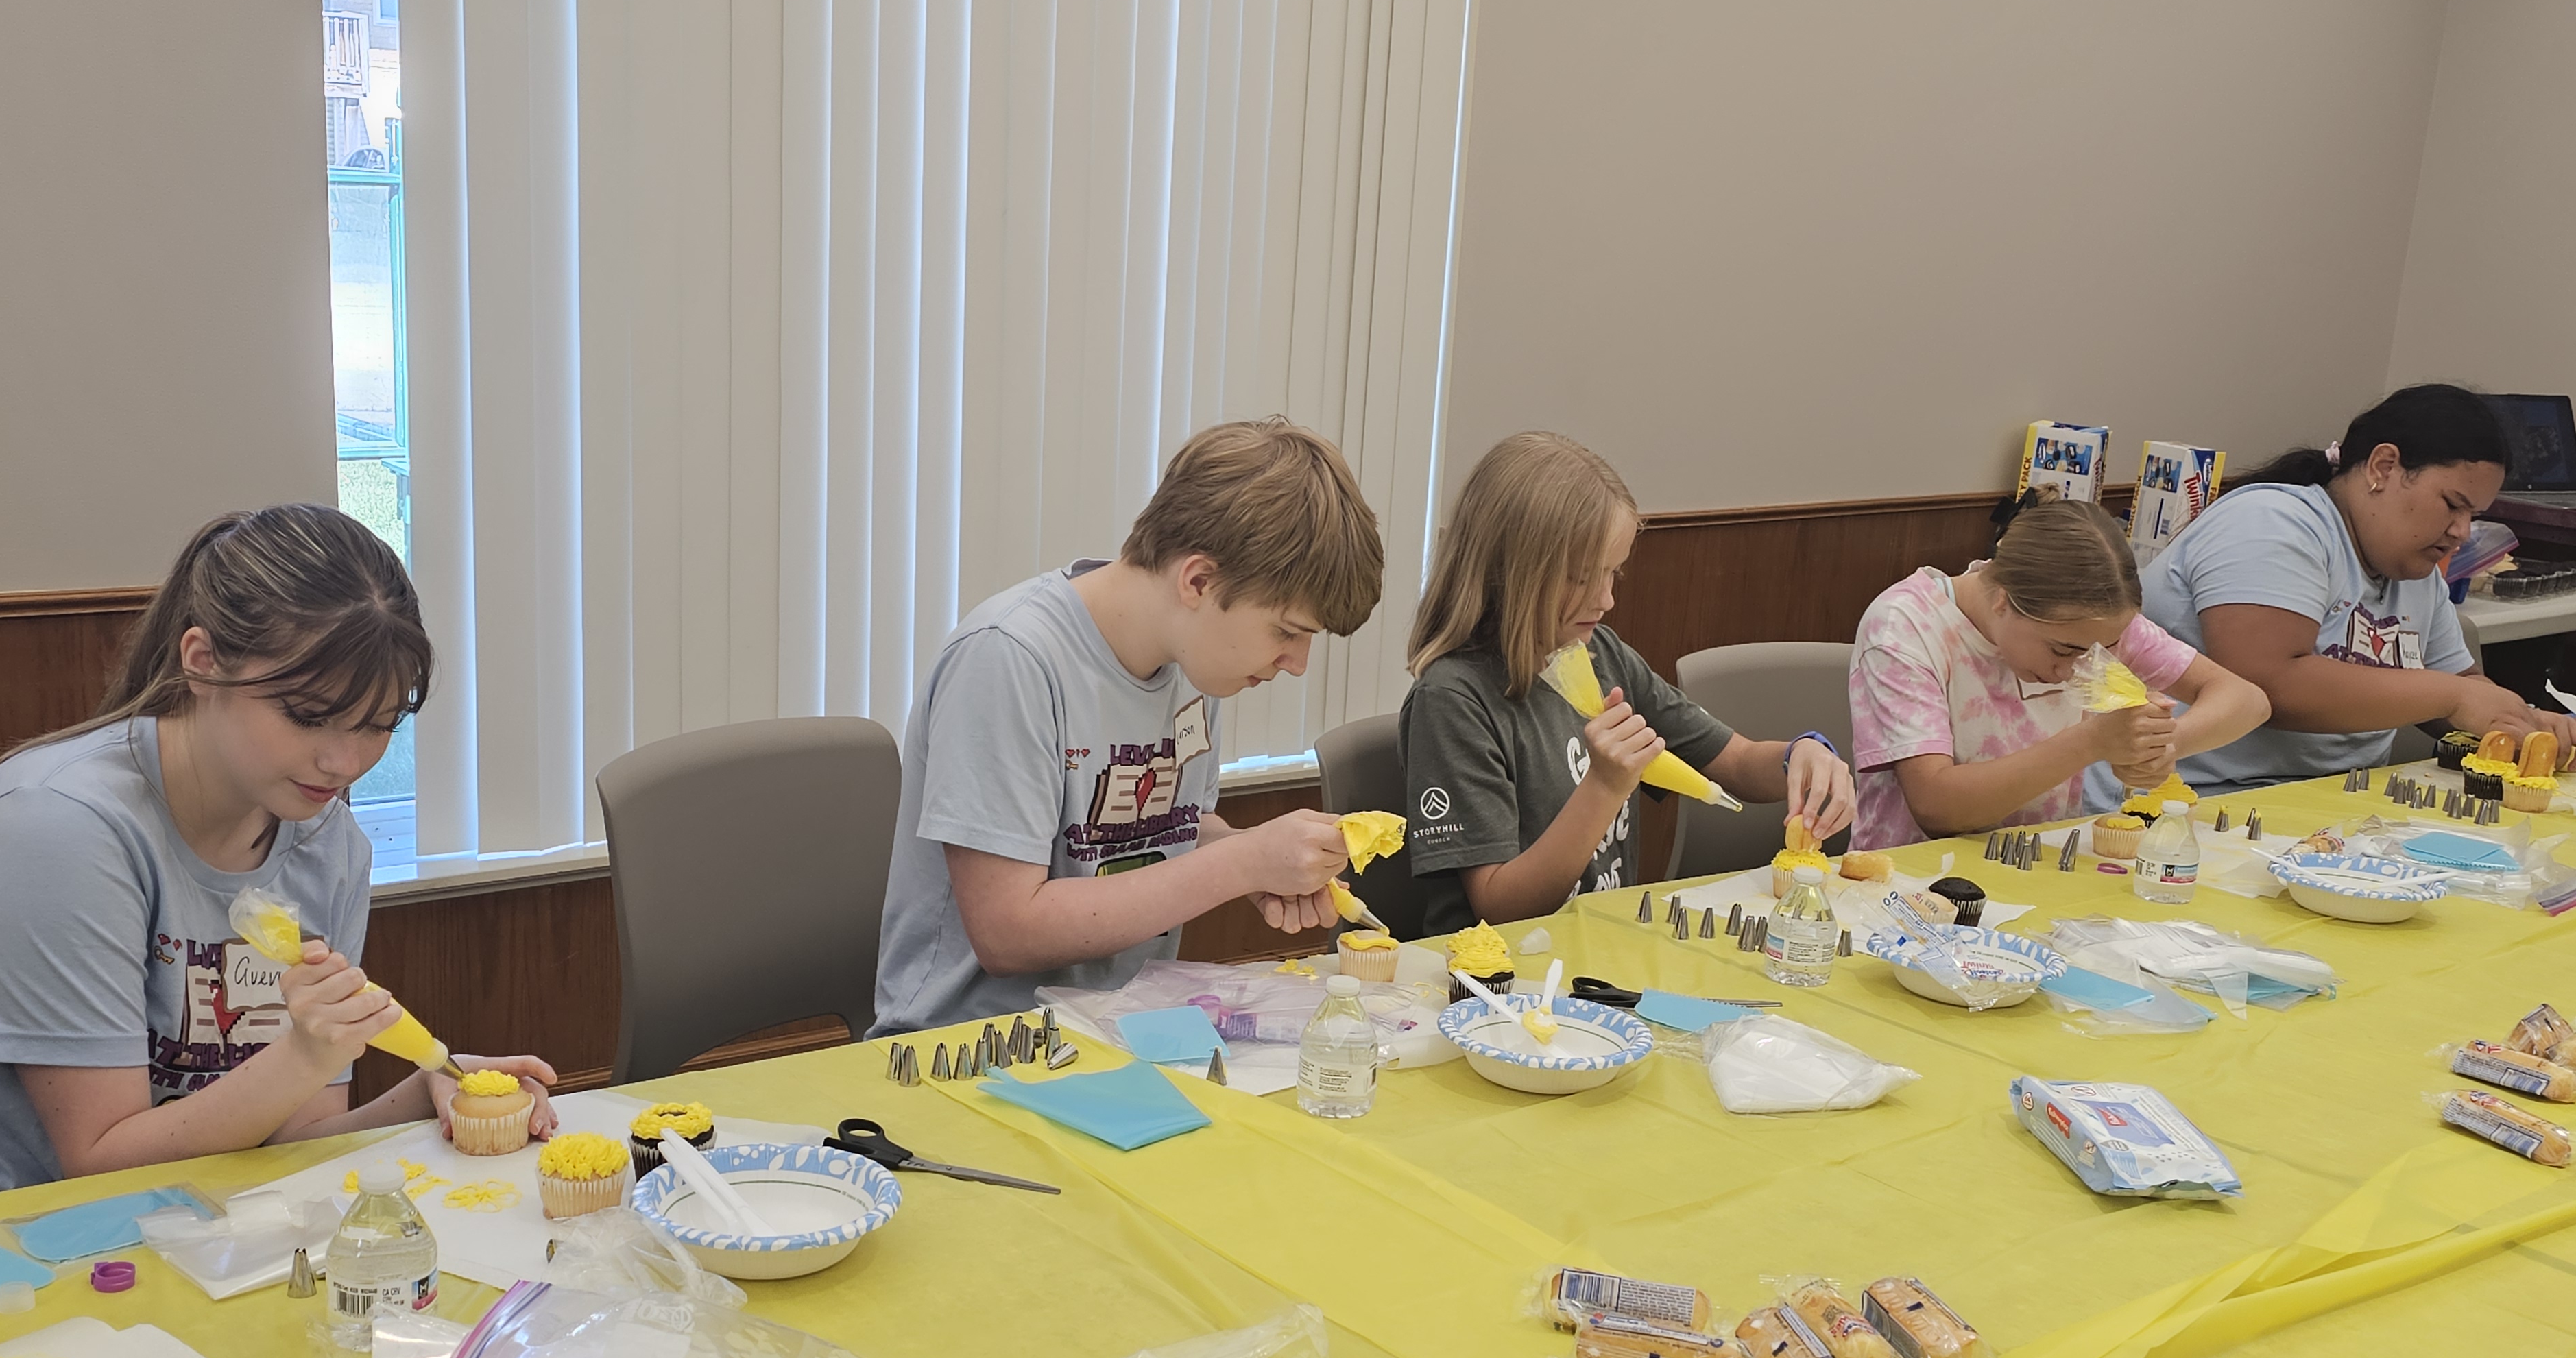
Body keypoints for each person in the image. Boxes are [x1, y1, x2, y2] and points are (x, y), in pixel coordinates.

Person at [0, 507, 559, 1217]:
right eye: (308, 716)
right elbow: (98, 1165)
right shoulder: (55, 830)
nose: (344, 763)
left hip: (175, 1224)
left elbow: (290, 1139)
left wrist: (429, 1090)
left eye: (378, 724)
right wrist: (304, 1055)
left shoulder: (325, 841)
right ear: (203, 662)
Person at [871, 418, 1384, 1035]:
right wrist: (1241, 864)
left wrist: (1264, 860)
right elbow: (1008, 930)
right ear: (1198, 581)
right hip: (969, 1047)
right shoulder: (1009, 658)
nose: (1296, 664)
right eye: (1286, 631)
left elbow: (1168, 830)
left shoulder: (1193, 664)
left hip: (1119, 1029)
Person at [1399, 433, 1855, 933]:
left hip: (1601, 947)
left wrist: (1801, 756)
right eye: (1581, 577)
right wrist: (1602, 786)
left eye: (1613, 574)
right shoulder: (1453, 700)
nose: (1606, 599)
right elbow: (1501, 908)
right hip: (1497, 967)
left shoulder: (1601, 655)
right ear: (1512, 572)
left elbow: (1735, 761)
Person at [2139, 384, 2576, 787]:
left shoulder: (2415, 572)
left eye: (2473, 516)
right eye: (2451, 505)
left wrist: (2519, 722)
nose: (2461, 532)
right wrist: (2455, 697)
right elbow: (2265, 684)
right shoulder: (2272, 523)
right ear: (2384, 467)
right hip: (2190, 797)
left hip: (2331, 801)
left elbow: (2461, 693)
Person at [1849, 496, 2270, 845]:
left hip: (2040, 864)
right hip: (1907, 882)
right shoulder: (1906, 626)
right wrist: (2092, 742)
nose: (2072, 672)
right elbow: (1937, 808)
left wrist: (2159, 746)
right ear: (2003, 601)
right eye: (2061, 650)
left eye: (2097, 652)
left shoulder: (2092, 628)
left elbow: (2248, 701)